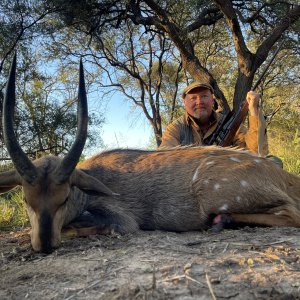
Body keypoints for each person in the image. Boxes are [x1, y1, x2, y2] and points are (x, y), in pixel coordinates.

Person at [159, 81, 268, 155]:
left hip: (227, 179)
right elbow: (165, 159)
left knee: (274, 161)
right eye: (193, 98)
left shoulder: (229, 123)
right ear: (184, 103)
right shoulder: (175, 129)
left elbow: (256, 152)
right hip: (189, 183)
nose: (199, 102)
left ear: (212, 100)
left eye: (204, 96)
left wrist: (254, 111)